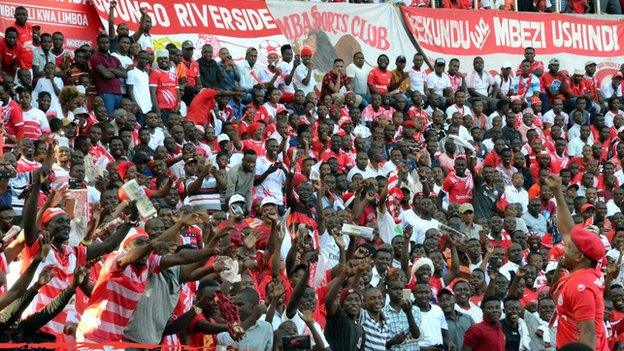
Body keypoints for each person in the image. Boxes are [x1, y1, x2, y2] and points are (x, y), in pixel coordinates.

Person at [545, 174, 609, 350]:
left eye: (569, 248)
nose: (564, 249)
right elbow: (566, 230)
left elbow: (588, 334)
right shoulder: (585, 272)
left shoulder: (581, 285)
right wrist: (558, 192)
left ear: (580, 257)